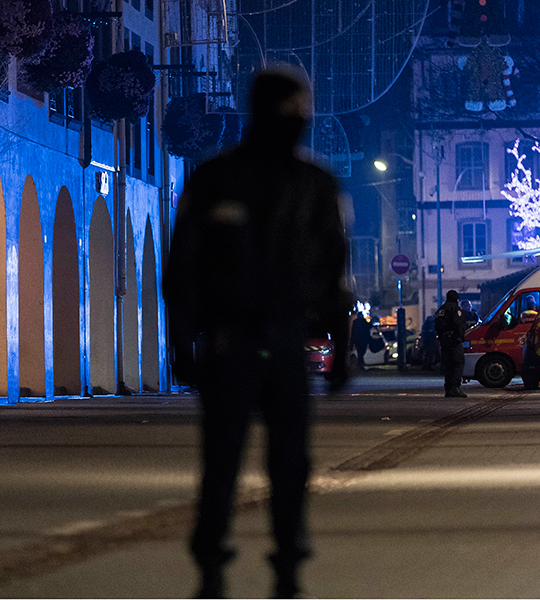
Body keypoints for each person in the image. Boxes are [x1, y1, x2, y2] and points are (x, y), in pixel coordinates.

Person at [163, 66, 351, 599]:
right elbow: (184, 270)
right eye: (291, 113)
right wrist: (184, 341)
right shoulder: (223, 180)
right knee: (231, 459)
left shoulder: (309, 185)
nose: (295, 123)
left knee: (275, 460)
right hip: (240, 339)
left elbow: (334, 270)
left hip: (272, 338)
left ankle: (276, 562)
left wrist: (340, 347)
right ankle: (228, 562)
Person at [435, 290, 468, 398]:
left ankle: (448, 388)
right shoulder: (454, 308)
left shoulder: (441, 309)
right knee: (458, 363)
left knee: (448, 364)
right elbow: (457, 323)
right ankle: (455, 387)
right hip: (453, 340)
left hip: (443, 340)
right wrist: (460, 337)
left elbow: (436, 325)